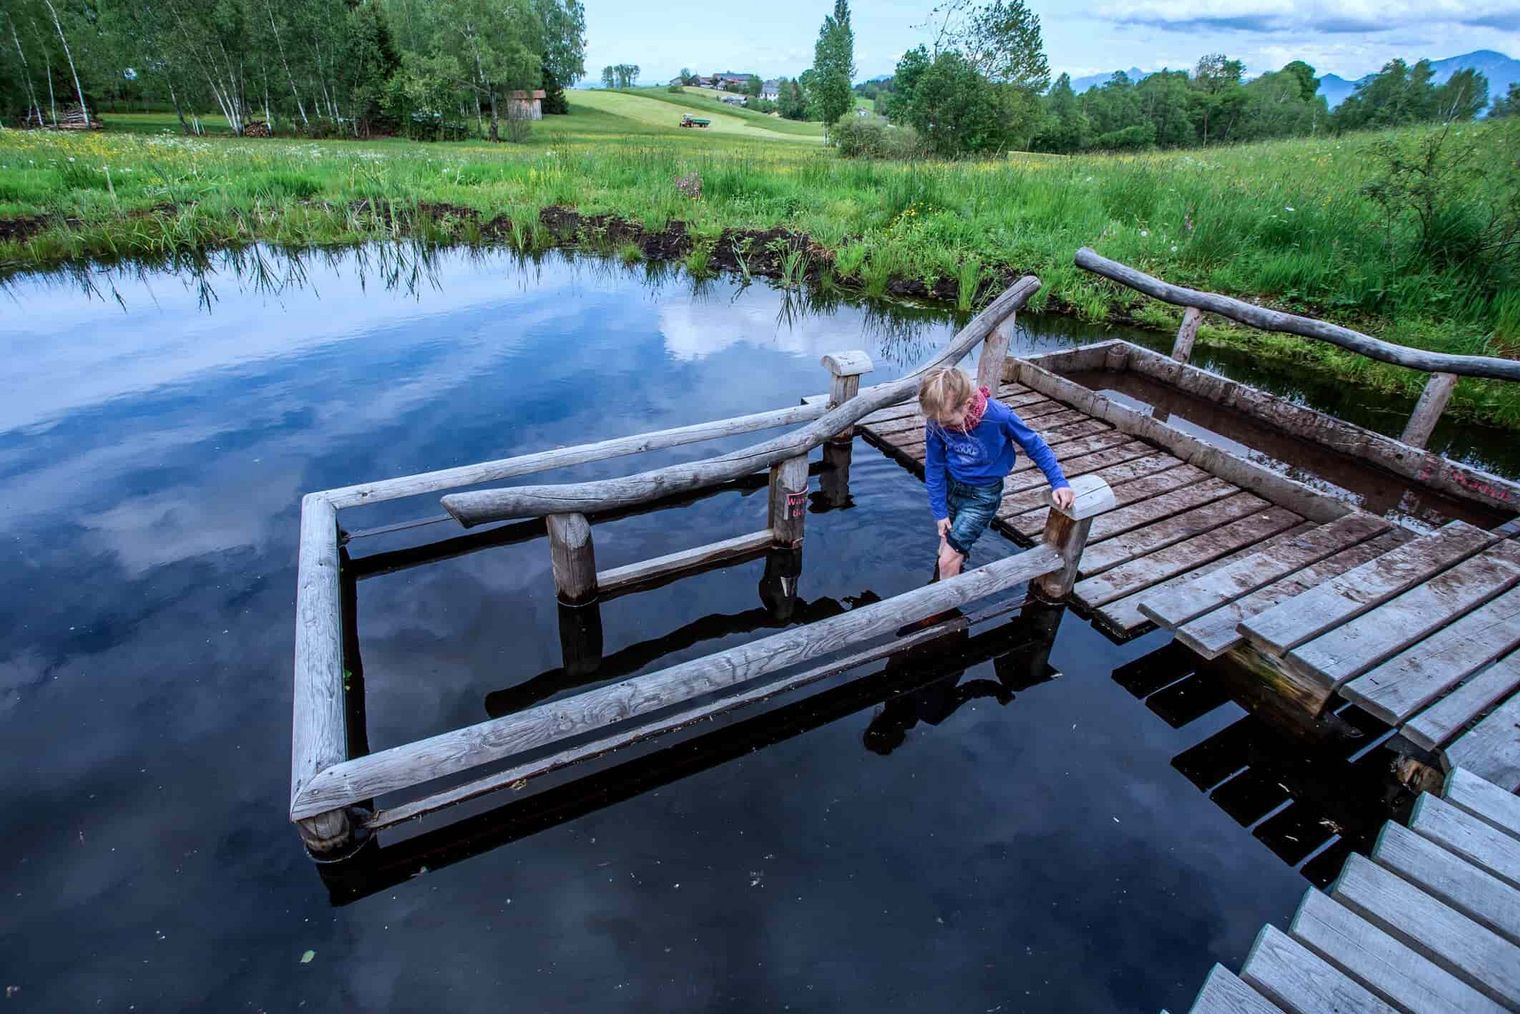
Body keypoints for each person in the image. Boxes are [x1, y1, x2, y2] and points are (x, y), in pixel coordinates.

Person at [920, 367, 1074, 579]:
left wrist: (1059, 482)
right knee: (945, 548)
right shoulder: (936, 421)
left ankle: (942, 610)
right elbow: (934, 465)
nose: (941, 426)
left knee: (947, 559)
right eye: (937, 421)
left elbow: (1035, 446)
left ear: (966, 405)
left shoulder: (999, 416)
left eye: (947, 422)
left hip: (982, 496)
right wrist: (940, 512)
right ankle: (949, 579)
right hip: (951, 487)